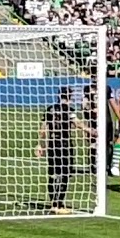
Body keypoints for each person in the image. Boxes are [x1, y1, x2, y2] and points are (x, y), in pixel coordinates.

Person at [35, 86, 91, 214]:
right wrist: (90, 131)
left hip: (52, 144)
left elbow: (43, 129)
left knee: (53, 173)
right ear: (70, 96)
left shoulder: (49, 110)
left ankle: (53, 203)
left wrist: (39, 144)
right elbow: (77, 123)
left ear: (59, 95)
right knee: (65, 174)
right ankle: (59, 204)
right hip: (65, 144)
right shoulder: (69, 110)